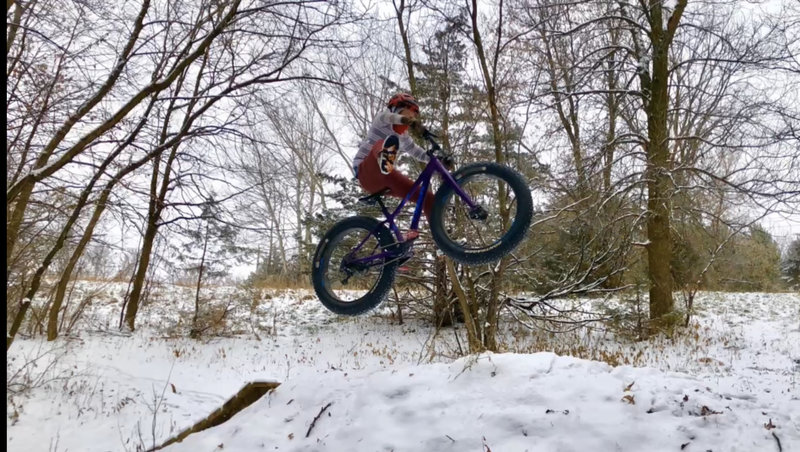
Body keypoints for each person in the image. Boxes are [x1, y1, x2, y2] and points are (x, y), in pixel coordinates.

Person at [353, 93, 451, 241]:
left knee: (427, 198)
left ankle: (443, 239)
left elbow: (415, 151)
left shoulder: (403, 136)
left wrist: (437, 160)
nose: (411, 118)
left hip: (386, 175)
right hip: (365, 171)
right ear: (396, 109)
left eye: (413, 116)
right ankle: (384, 157)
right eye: (408, 114)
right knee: (382, 143)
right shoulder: (382, 119)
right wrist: (409, 122)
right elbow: (391, 118)